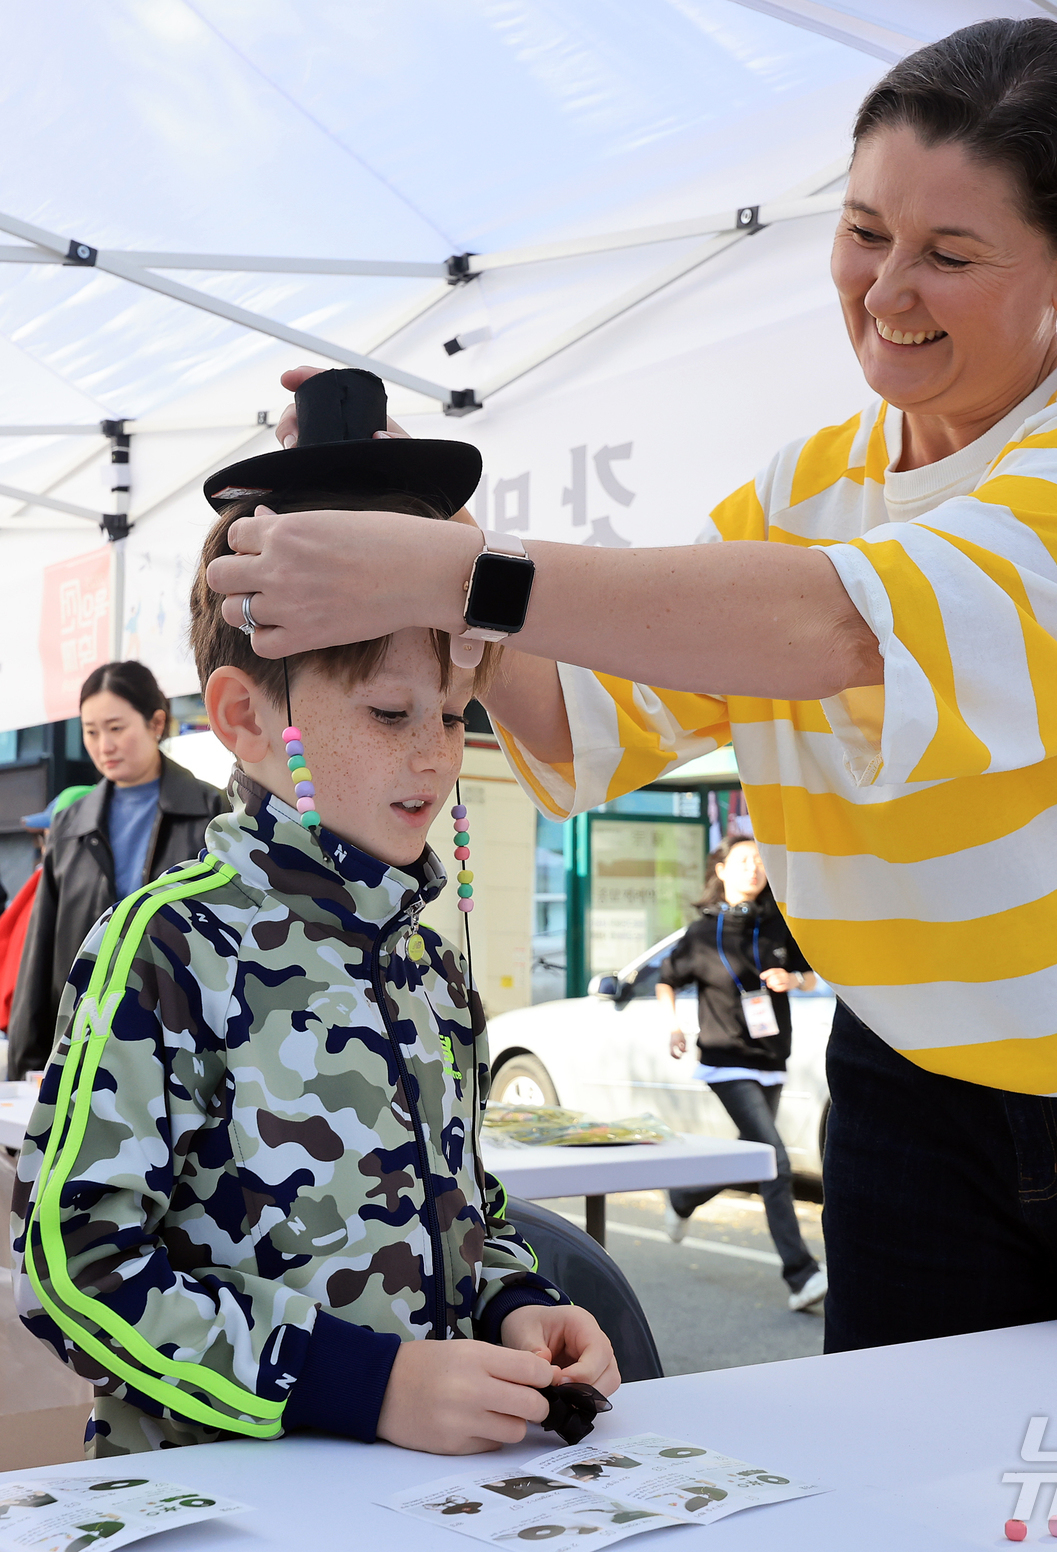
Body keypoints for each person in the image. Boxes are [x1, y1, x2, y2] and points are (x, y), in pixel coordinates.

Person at [206, 20, 1057, 1357]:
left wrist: (458, 571)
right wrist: (405, 522)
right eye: (866, 230)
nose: (887, 290)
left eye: (952, 254)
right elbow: (587, 717)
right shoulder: (805, 485)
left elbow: (846, 630)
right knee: (904, 1493)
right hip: (908, 1093)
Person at [11, 372, 617, 1458]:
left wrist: (509, 1306)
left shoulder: (426, 958)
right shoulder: (170, 944)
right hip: (232, 1500)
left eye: (450, 711)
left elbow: (463, 1202)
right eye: (389, 712)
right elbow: (76, 1264)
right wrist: (365, 1384)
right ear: (246, 717)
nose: (434, 753)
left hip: (421, 1504)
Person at [6, 662, 227, 1079]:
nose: (103, 745)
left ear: (156, 722)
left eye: (116, 728)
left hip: (182, 1045)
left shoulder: (212, 813)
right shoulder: (70, 825)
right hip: (83, 1044)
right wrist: (24, 1069)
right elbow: (40, 955)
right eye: (91, 731)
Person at [656, 837, 825, 1312]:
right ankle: (802, 1274)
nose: (755, 869)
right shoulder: (700, 932)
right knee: (774, 1161)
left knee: (749, 1154)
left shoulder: (779, 923)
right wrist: (673, 1025)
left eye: (761, 862)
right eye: (744, 861)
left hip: (771, 1059)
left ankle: (684, 1198)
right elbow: (667, 978)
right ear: (723, 869)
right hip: (725, 1059)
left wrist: (793, 980)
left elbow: (811, 973)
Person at [0, 788, 92, 1040]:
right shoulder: (44, 881)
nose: (46, 843)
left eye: (52, 834)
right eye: (45, 835)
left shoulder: (63, 887)